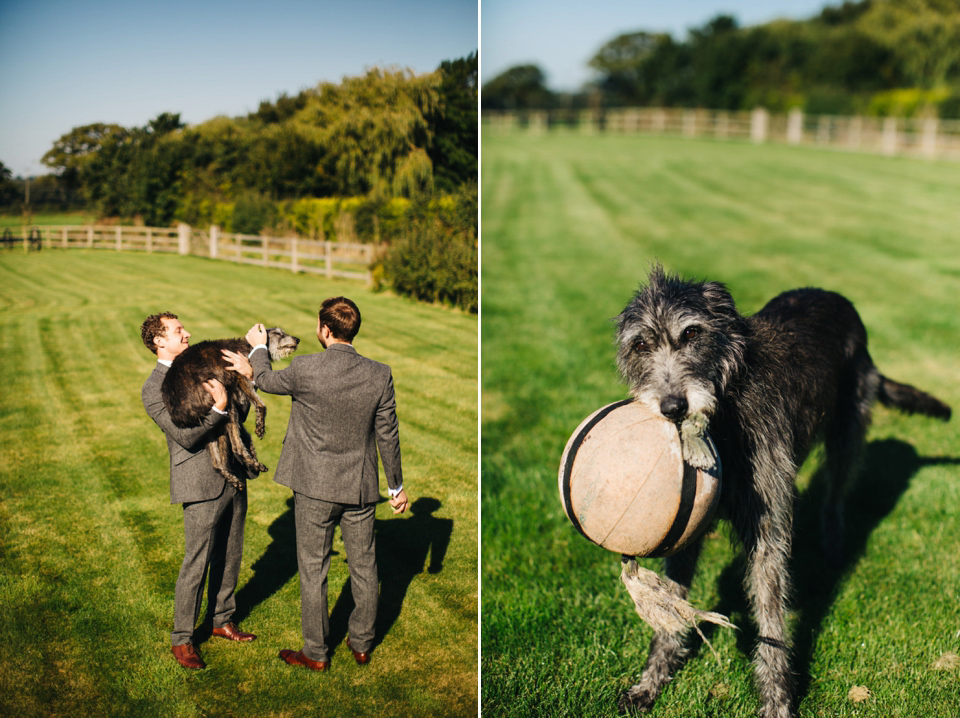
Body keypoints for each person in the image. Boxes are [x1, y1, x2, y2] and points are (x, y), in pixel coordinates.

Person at [223, 296, 408, 672]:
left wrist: (258, 349)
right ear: (353, 330)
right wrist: (395, 487)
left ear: (324, 330)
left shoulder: (306, 368)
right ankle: (361, 643)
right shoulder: (380, 373)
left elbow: (268, 381)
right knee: (365, 566)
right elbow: (387, 434)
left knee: (313, 569)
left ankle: (316, 653)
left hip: (312, 487)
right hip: (359, 488)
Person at [140, 312, 257, 671]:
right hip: (198, 480)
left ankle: (222, 619)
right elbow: (186, 436)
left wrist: (245, 382)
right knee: (197, 561)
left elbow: (240, 412)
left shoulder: (201, 365)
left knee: (231, 552)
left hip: (232, 472)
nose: (187, 333)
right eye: (177, 331)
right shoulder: (154, 387)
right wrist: (219, 409)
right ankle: (183, 639)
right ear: (159, 341)